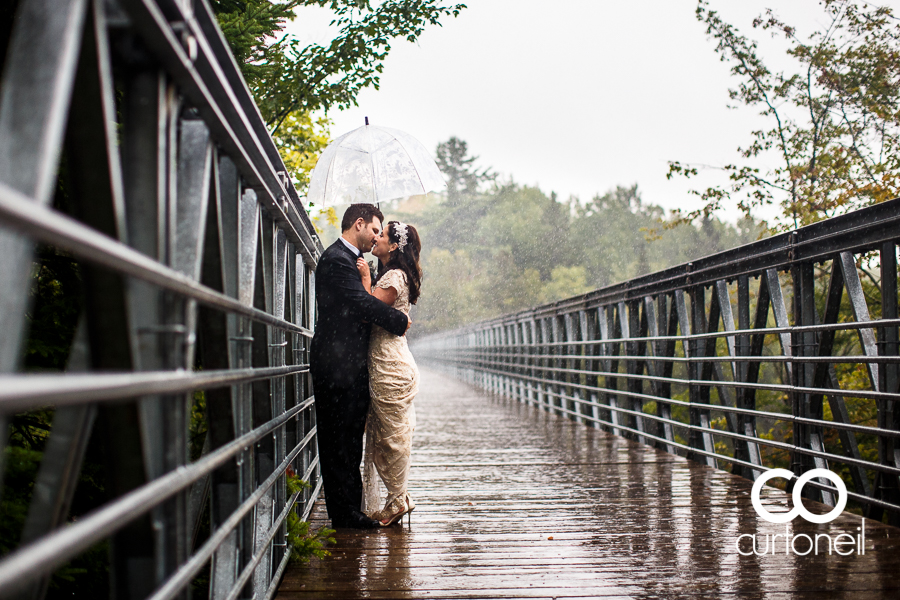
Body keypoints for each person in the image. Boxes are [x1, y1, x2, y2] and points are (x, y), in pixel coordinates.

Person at [309, 204, 410, 529]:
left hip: (350, 364)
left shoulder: (351, 259)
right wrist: (398, 320)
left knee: (349, 439)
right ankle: (345, 514)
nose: (376, 236)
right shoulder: (337, 259)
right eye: (374, 230)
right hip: (336, 365)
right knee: (337, 440)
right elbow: (360, 301)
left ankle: (351, 510)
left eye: (381, 233)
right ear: (359, 223)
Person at [356, 221, 422, 526]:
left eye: (381, 235)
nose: (376, 238)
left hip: (389, 364)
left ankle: (397, 502)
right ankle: (400, 498)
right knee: (385, 433)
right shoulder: (391, 273)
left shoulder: (393, 275)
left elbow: (371, 308)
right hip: (386, 358)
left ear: (394, 246)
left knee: (390, 437)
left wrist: (367, 277)